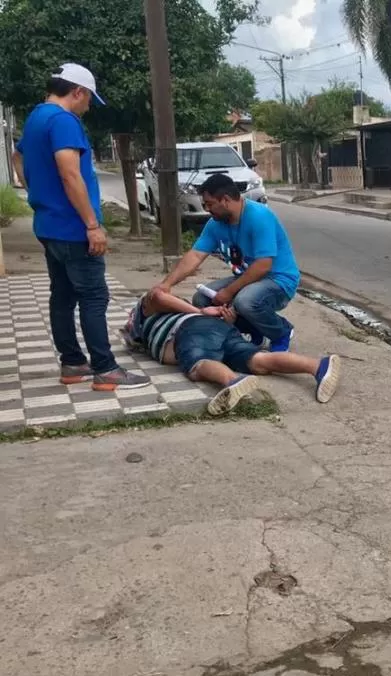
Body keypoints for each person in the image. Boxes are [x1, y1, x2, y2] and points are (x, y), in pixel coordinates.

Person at [12, 63, 149, 391]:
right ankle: (105, 368)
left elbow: (17, 159)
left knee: (62, 295)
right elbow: (70, 173)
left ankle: (72, 363)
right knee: (93, 296)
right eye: (89, 99)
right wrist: (92, 224)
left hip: (46, 224)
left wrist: (36, 192)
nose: (88, 106)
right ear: (77, 91)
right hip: (74, 228)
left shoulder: (35, 119)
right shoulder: (63, 121)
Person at [121, 289, 341, 416]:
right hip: (220, 329)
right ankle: (317, 367)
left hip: (188, 331)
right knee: (258, 360)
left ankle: (232, 380)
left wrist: (199, 311)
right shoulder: (143, 330)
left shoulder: (143, 312)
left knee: (198, 362)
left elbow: (158, 295)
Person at [153, 173, 299, 352]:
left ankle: (281, 331)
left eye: (209, 204)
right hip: (249, 278)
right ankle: (254, 330)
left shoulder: (259, 217)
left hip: (278, 280)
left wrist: (229, 292)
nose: (207, 209)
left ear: (226, 200)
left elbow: (263, 265)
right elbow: (195, 256)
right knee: (202, 299)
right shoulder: (215, 224)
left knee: (245, 301)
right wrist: (166, 285)